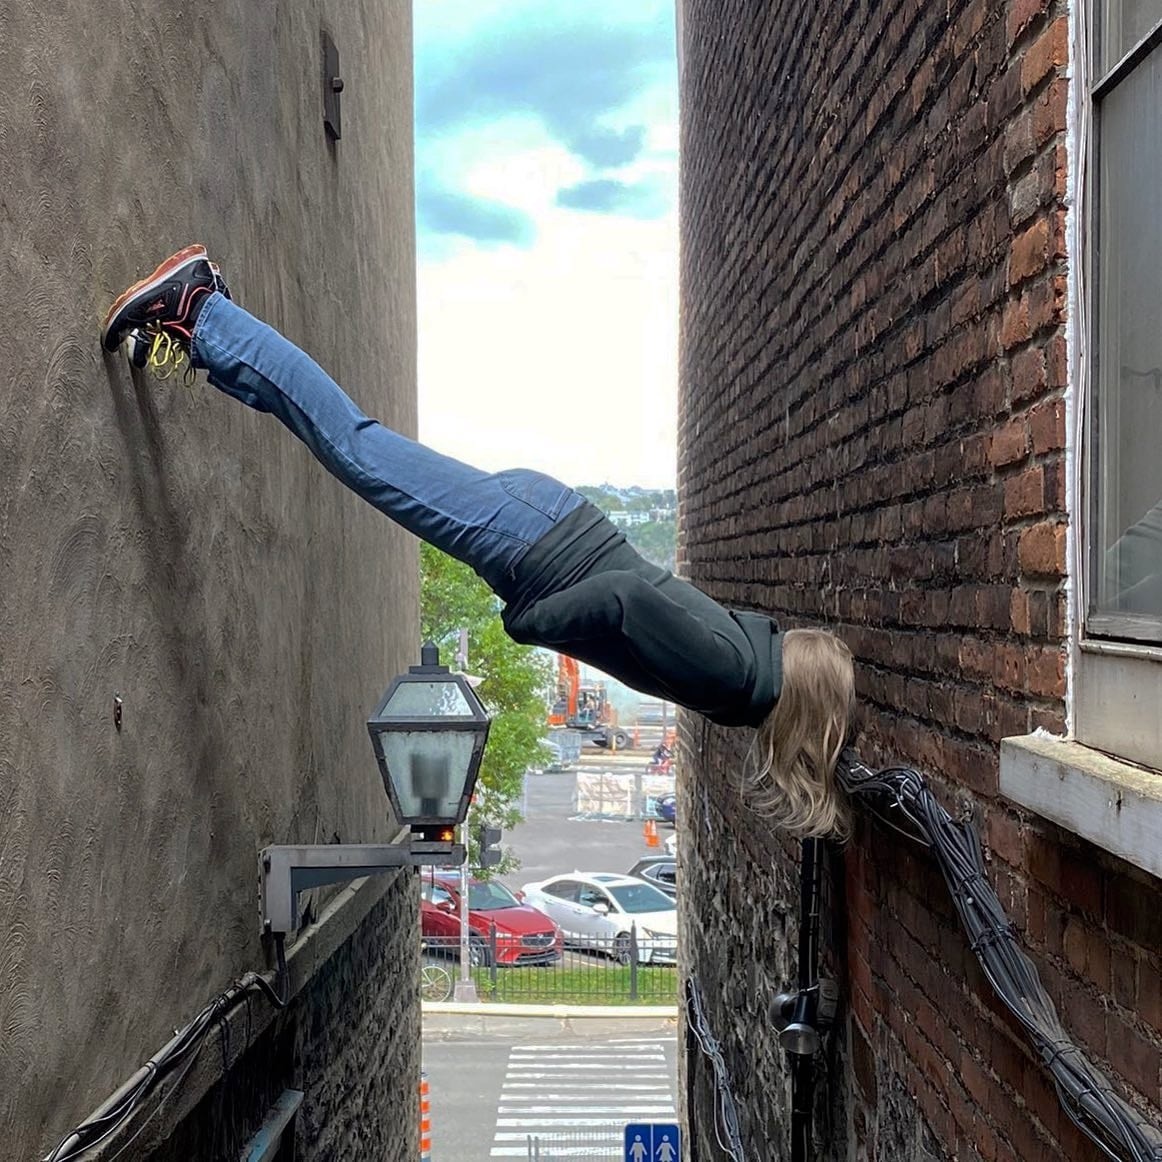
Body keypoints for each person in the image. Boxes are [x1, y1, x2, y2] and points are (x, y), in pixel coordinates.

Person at [100, 245, 856, 838]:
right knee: (353, 444)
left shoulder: (748, 657)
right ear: (809, 722)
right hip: (533, 543)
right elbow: (626, 599)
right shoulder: (730, 675)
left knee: (350, 443)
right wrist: (533, 625)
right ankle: (199, 309)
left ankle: (210, 328)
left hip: (542, 526)